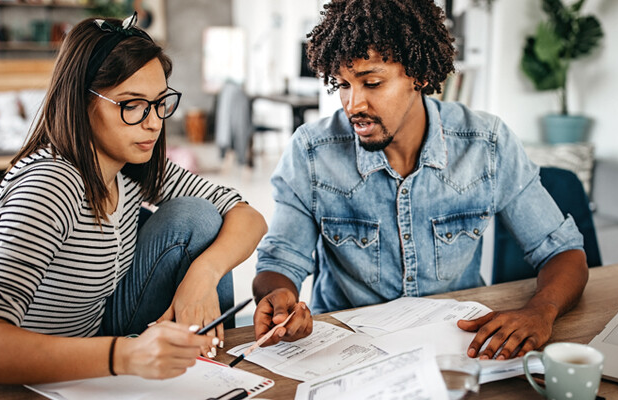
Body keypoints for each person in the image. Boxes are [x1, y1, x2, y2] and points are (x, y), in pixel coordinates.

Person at [252, 0, 588, 361]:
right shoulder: (312, 152)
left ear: (420, 75)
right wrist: (280, 298)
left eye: (372, 83)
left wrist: (541, 310)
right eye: (343, 85)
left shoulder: (486, 144)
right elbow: (280, 262)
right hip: (347, 352)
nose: (353, 104)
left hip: (461, 348)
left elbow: (562, 252)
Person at [0, 13, 267, 383]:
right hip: (34, 371)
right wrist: (127, 354)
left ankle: (215, 378)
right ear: (80, 100)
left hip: (98, 335)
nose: (153, 122)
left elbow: (248, 216)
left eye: (159, 102)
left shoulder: (129, 167)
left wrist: (203, 274)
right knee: (194, 217)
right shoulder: (50, 184)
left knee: (198, 217)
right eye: (131, 104)